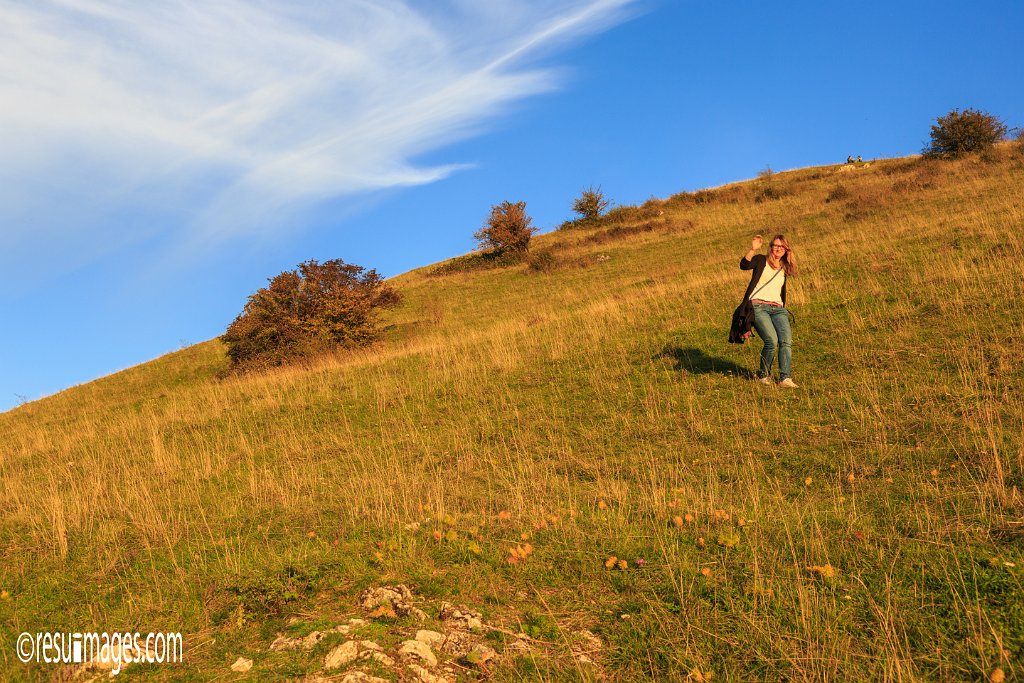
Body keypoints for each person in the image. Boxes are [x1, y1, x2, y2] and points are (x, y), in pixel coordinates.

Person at [740, 234, 798, 387]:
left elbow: (791, 273)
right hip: (759, 307)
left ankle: (785, 378)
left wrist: (790, 256)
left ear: (786, 249)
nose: (778, 249)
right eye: (775, 245)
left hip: (778, 309)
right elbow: (744, 265)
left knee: (786, 341)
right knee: (771, 341)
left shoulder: (785, 267)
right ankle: (763, 375)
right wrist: (753, 249)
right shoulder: (760, 260)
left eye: (782, 246)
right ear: (771, 247)